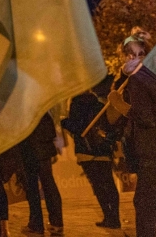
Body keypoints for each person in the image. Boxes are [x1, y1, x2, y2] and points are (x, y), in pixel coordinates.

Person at [107, 28, 156, 237]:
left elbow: (145, 118)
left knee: (144, 203)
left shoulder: (138, 80)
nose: (135, 58)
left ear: (147, 55)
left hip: (154, 153)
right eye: (131, 54)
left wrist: (119, 104)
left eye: (140, 54)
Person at [61, 78, 121, 229]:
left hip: (87, 151)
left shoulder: (76, 104)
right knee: (109, 183)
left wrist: (64, 122)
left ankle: (108, 217)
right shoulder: (99, 104)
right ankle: (115, 217)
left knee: (98, 185)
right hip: (103, 150)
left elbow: (77, 127)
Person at [19, 112, 64, 235]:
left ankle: (36, 223)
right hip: (43, 148)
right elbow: (50, 128)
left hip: (28, 149)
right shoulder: (41, 106)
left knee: (32, 187)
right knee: (49, 184)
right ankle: (56, 223)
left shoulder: (21, 107)